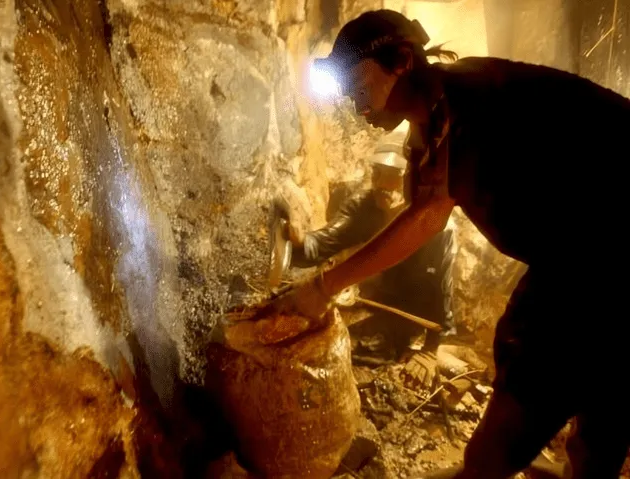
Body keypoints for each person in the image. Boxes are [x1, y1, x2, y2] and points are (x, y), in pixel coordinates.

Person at [261, 9, 630, 479]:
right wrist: (317, 273)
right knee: (593, 418)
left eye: (360, 87)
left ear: (401, 61)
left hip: (602, 265)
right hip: (581, 260)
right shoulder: (435, 121)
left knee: (540, 409)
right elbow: (425, 213)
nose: (359, 108)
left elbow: (427, 217)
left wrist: (321, 289)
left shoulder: (474, 96)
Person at [288, 127, 456, 386]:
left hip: (405, 313)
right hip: (371, 300)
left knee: (356, 350)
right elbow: (330, 239)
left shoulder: (438, 230)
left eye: (393, 175)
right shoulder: (365, 205)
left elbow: (442, 295)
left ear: (409, 179)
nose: (382, 184)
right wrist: (302, 243)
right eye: (378, 173)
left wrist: (430, 350)